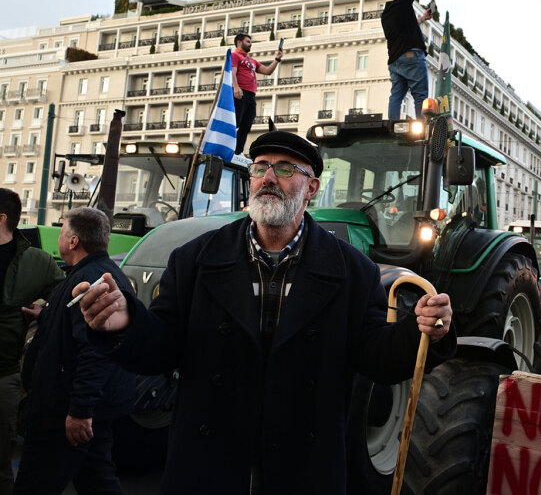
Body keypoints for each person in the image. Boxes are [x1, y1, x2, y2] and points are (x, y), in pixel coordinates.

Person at [76, 131, 456, 494]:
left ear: (311, 189)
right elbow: (163, 345)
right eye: (260, 167)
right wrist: (125, 323)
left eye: (286, 168)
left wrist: (421, 331)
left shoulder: (352, 270)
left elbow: (375, 357)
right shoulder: (195, 259)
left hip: (303, 468)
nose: (269, 177)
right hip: (210, 464)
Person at [15, 208, 135, 495]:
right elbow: (78, 327)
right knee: (96, 480)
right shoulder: (88, 274)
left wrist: (80, 411)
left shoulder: (92, 282)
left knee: (34, 484)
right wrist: (46, 316)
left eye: (62, 232)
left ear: (73, 242)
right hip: (81, 406)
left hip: (64, 411)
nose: (59, 237)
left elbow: (96, 352)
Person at [0, 190, 65, 495]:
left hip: (5, 376)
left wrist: (45, 312)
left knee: (1, 462)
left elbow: (68, 302)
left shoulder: (37, 262)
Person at [381, 0, 436, 120]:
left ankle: (393, 128)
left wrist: (422, 19)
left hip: (395, 62)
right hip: (411, 57)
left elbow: (403, 30)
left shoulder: (386, 13)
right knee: (420, 95)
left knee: (396, 97)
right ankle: (422, 133)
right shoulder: (403, 1)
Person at [231, 33, 284, 154]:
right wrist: (236, 87)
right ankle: (226, 144)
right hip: (241, 92)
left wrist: (277, 59)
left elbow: (267, 71)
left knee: (247, 124)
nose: (251, 44)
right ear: (239, 42)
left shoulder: (252, 60)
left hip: (251, 95)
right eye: (248, 41)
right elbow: (232, 72)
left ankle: (237, 150)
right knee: (236, 122)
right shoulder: (235, 56)